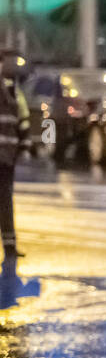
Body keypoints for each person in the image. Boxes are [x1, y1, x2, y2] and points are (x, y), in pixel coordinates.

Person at [0, 49, 30, 267]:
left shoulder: (12, 88)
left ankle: (10, 247)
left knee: (5, 202)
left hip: (6, 157)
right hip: (6, 155)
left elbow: (22, 119)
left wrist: (25, 146)